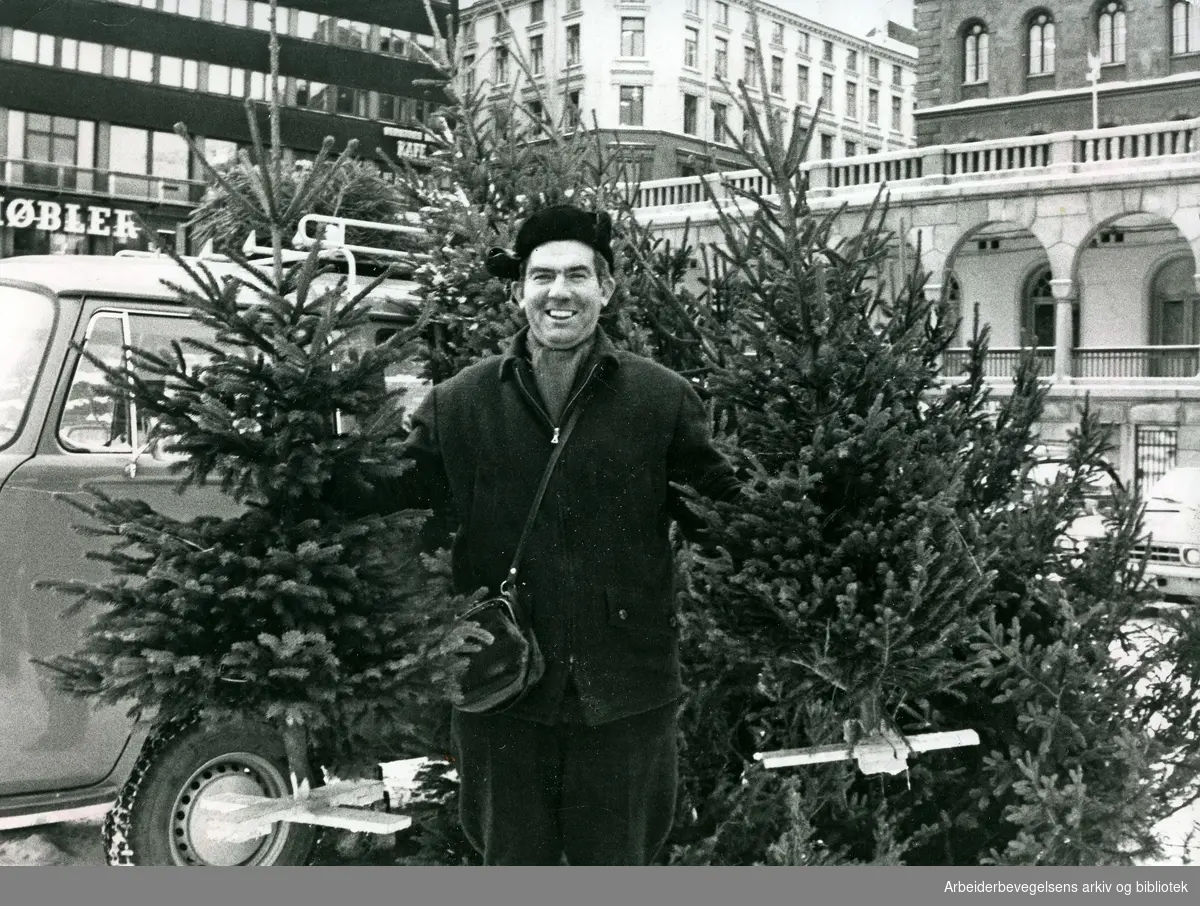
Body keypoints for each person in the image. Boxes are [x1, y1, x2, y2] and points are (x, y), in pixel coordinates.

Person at [360, 204, 739, 865]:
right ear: (518, 291)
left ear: (607, 289)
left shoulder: (662, 401)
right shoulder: (459, 403)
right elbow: (390, 498)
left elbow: (727, 523)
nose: (558, 292)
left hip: (625, 698)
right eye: (541, 277)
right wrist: (298, 463)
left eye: (576, 276)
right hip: (502, 697)